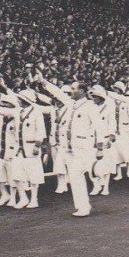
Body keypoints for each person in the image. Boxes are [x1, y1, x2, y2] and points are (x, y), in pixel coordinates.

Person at [38, 74, 105, 217]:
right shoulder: (71, 104)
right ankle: (83, 206)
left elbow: (100, 127)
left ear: (81, 91)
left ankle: (94, 187)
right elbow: (58, 93)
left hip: (82, 147)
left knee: (81, 174)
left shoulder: (90, 106)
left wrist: (100, 148)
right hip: (68, 147)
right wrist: (44, 82)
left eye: (73, 89)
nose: (71, 91)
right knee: (75, 178)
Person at [88, 84, 117, 196]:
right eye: (92, 96)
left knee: (105, 164)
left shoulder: (108, 107)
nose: (93, 98)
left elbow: (112, 122)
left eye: (95, 96)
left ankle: (105, 187)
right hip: (91, 139)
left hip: (104, 138)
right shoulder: (90, 108)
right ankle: (96, 185)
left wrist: (111, 135)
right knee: (91, 164)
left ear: (100, 97)